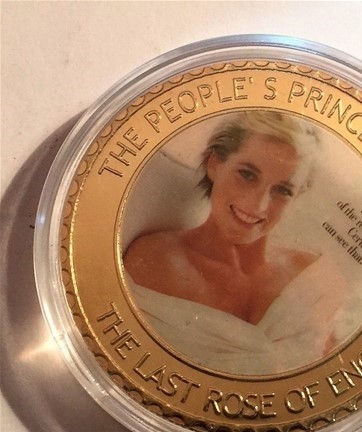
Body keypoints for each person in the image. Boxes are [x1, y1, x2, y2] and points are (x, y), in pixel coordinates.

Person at [124, 112, 344, 374]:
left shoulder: (315, 278)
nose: (258, 204)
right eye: (247, 174)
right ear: (214, 164)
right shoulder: (154, 262)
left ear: (297, 197)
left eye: (283, 190)